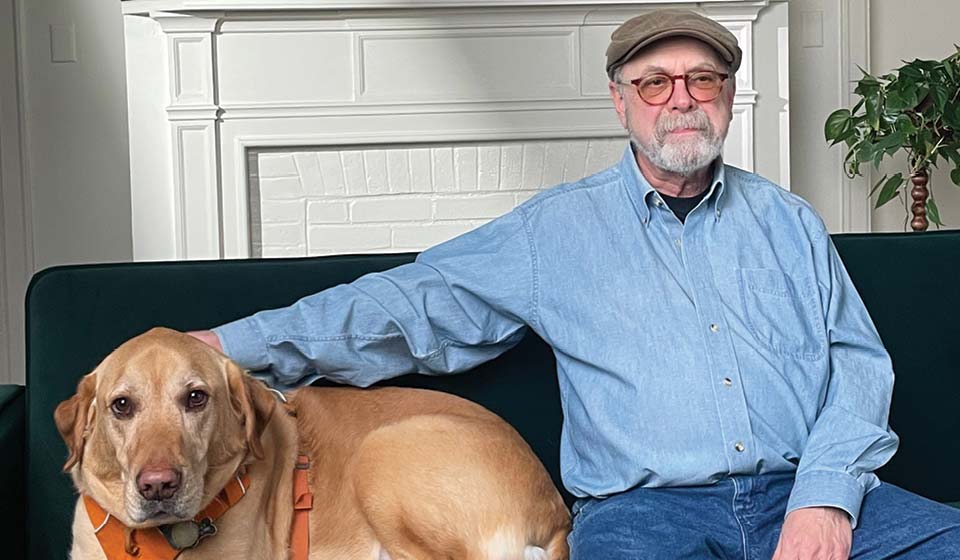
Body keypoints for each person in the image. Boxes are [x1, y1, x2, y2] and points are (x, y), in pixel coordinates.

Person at [189, 9, 960, 559]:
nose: (682, 97)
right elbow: (409, 306)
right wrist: (229, 346)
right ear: (620, 102)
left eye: (703, 78)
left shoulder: (788, 222)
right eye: (654, 83)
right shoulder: (553, 233)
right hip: (645, 518)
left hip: (812, 494)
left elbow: (860, 365)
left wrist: (823, 498)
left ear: (729, 95)